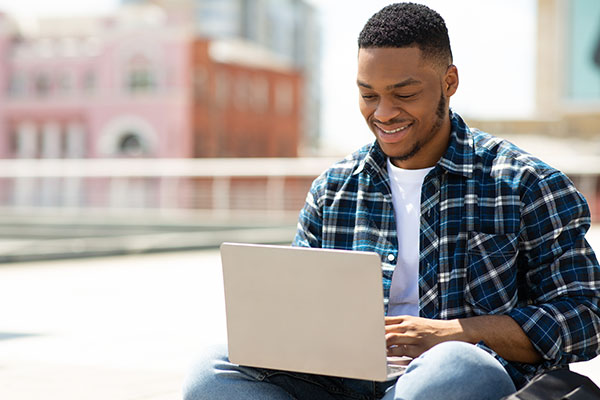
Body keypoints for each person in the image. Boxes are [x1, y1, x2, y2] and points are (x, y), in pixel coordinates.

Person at [183, 3, 600, 399]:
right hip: (344, 386)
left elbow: (586, 320)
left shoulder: (527, 184)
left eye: (404, 93)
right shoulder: (333, 191)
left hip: (457, 381)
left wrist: (454, 332)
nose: (383, 113)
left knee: (452, 366)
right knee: (210, 371)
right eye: (368, 95)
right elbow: (299, 324)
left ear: (449, 83)